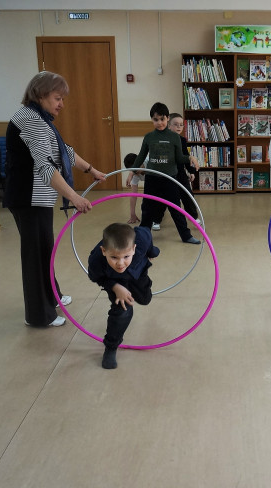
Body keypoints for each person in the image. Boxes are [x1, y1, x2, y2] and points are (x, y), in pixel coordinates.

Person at [5, 71, 106, 327]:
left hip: (38, 198)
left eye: (62, 99)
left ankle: (52, 295)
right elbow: (46, 167)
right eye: (57, 98)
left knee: (44, 251)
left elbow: (64, 152)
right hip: (28, 199)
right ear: (40, 95)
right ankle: (40, 316)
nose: (61, 104)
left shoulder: (39, 117)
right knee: (36, 255)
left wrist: (91, 170)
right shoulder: (32, 121)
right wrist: (74, 197)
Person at [87, 222, 160, 369]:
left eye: (126, 256)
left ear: (134, 248)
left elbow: (146, 232)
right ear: (103, 251)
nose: (120, 263)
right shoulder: (96, 261)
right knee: (123, 310)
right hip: (114, 280)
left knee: (145, 299)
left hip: (137, 273)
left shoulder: (141, 239)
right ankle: (111, 347)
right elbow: (96, 277)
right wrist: (114, 287)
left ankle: (135, 288)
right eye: (114, 257)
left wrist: (151, 252)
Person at [134, 102, 200, 244]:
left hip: (170, 178)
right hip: (152, 178)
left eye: (162, 119)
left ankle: (186, 236)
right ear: (152, 120)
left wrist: (190, 158)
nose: (159, 123)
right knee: (147, 208)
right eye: (155, 119)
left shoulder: (174, 137)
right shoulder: (149, 137)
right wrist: (133, 169)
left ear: (167, 118)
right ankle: (143, 236)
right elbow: (141, 156)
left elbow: (179, 158)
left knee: (176, 208)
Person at [167, 113, 201, 223]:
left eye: (181, 125)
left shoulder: (182, 140)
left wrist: (191, 171)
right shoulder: (164, 140)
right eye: (175, 124)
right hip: (167, 174)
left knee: (188, 196)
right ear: (169, 125)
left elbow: (186, 156)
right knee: (164, 197)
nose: (179, 127)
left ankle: (193, 217)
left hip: (180, 173)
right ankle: (156, 220)